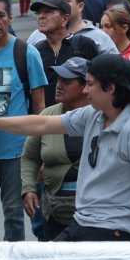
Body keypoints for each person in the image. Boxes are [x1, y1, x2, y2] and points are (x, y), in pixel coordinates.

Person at [0, 53, 130, 244]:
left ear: (110, 88)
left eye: (90, 84)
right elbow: (41, 124)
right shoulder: (93, 115)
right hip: (84, 223)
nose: (85, 90)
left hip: (116, 231)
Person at [0, 0, 48, 242]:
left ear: (10, 18)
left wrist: (39, 154)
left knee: (14, 214)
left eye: (0, 15)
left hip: (16, 149)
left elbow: (40, 107)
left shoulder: (26, 53)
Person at [20, 57, 91, 241]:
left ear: (86, 86)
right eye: (58, 80)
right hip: (55, 211)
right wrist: (29, 189)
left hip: (95, 211)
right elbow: (29, 157)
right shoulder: (48, 115)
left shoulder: (102, 117)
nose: (59, 85)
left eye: (66, 81)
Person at [29, 0, 107, 109]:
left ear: (65, 19)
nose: (41, 16)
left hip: (80, 118)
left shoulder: (83, 45)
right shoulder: (35, 51)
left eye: (48, 12)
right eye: (39, 13)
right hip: (45, 121)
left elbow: (99, 82)